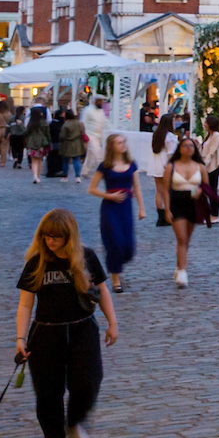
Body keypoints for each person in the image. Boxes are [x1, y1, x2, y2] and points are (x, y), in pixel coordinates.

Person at [13, 208, 117, 438]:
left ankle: (74, 423)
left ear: (68, 236)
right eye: (47, 236)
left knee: (88, 382)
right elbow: (25, 304)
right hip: (46, 332)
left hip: (83, 329)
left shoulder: (87, 258)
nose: (51, 241)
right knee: (48, 390)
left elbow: (102, 292)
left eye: (57, 237)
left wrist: (112, 323)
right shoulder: (36, 263)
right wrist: (20, 339)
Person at [89, 136, 143, 294]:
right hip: (110, 208)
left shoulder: (131, 164)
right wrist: (110, 196)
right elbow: (92, 188)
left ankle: (117, 265)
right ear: (112, 146)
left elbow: (137, 187)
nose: (124, 144)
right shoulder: (105, 166)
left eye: (124, 142)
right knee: (114, 242)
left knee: (128, 247)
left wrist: (141, 208)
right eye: (120, 142)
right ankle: (115, 280)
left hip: (126, 208)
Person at [162, 137, 208, 287]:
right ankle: (183, 271)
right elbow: (165, 189)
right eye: (185, 146)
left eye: (191, 146)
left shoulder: (200, 166)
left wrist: (200, 191)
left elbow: (207, 187)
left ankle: (179, 266)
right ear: (179, 148)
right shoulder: (171, 166)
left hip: (193, 204)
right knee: (181, 238)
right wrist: (167, 209)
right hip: (177, 202)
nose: (188, 148)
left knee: (186, 239)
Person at [145, 116, 178, 227]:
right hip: (165, 165)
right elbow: (171, 153)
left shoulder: (157, 134)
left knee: (159, 191)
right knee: (167, 192)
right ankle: (168, 216)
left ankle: (160, 216)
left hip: (155, 165)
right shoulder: (170, 136)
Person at [199, 113, 219, 225]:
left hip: (212, 167)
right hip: (206, 166)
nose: (204, 124)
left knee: (212, 190)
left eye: (206, 122)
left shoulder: (216, 135)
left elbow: (211, 152)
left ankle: (214, 215)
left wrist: (205, 164)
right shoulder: (209, 136)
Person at [79, 95, 110, 185]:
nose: (102, 103)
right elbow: (83, 122)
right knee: (97, 152)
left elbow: (105, 122)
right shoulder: (88, 110)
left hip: (98, 135)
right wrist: (84, 134)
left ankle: (85, 171)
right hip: (90, 135)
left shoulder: (100, 112)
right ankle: (102, 172)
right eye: (100, 101)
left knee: (91, 154)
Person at [56, 109, 86, 188]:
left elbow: (62, 136)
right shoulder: (80, 123)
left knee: (65, 161)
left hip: (67, 144)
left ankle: (65, 177)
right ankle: (77, 177)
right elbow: (82, 132)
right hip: (77, 144)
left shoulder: (66, 124)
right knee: (76, 161)